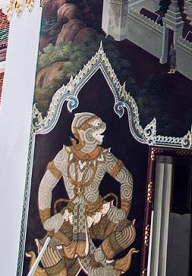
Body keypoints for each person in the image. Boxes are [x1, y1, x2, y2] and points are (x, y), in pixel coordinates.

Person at [33, 112, 136, 276]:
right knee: (47, 249)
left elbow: (126, 179)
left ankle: (97, 260)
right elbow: (45, 186)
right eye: (96, 127)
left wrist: (123, 210)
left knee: (128, 232)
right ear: (83, 132)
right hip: (71, 215)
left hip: (98, 213)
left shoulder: (103, 156)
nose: (102, 130)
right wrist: (46, 220)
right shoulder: (65, 156)